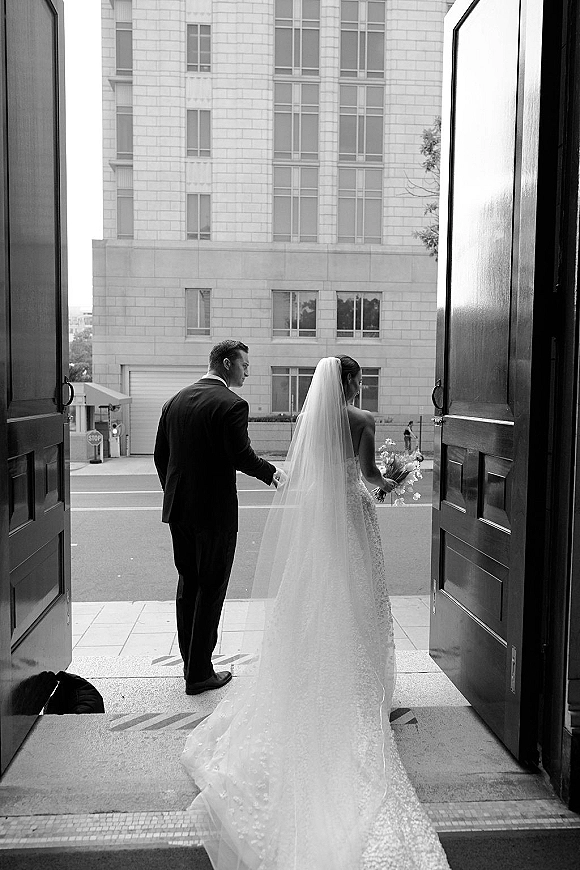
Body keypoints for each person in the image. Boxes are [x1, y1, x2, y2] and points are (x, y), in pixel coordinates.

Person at [182, 356, 451, 869]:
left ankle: (309, 671)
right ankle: (361, 683)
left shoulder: (311, 422)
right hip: (353, 515)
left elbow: (305, 473)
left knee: (314, 595)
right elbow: (370, 476)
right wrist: (396, 480)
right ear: (350, 383)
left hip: (321, 524)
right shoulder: (363, 421)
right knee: (360, 597)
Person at [154, 339, 284, 696]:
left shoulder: (174, 401)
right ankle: (199, 674)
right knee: (211, 589)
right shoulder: (231, 404)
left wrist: (175, 490)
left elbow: (160, 456)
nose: (247, 371)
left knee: (188, 584)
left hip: (179, 508)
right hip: (214, 513)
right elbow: (241, 456)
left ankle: (189, 661)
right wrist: (272, 473)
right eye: (244, 365)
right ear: (226, 364)